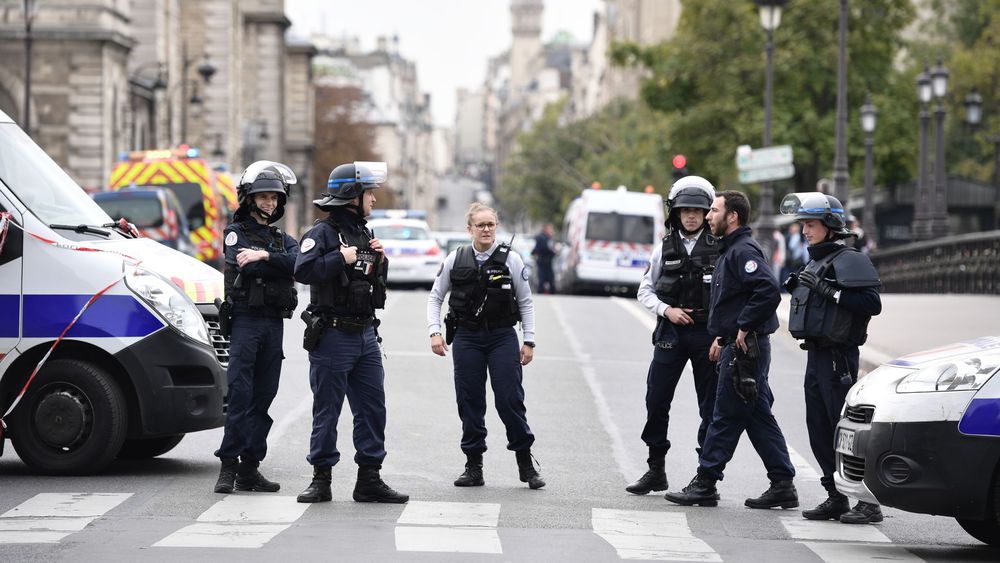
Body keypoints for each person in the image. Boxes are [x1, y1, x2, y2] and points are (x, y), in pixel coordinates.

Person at [664, 190, 798, 509]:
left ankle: (706, 482)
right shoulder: (730, 249)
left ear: (732, 216)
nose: (708, 216)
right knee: (757, 415)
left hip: (746, 349)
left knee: (724, 413)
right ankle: (782, 482)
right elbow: (736, 300)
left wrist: (742, 326)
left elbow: (767, 291)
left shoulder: (743, 250)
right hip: (737, 345)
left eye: (714, 210)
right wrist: (723, 337)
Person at [293, 161, 408, 504]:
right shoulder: (322, 234)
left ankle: (369, 478)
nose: (373, 199)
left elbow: (371, 283)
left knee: (373, 408)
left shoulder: (364, 233)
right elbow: (303, 270)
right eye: (369, 193)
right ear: (351, 195)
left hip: (366, 336)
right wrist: (338, 260)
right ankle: (321, 478)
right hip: (333, 335)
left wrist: (380, 261)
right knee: (327, 410)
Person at [780, 192, 884, 524]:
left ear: (830, 225)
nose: (805, 231)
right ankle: (835, 495)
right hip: (816, 355)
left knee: (845, 432)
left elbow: (871, 304)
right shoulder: (816, 259)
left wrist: (828, 291)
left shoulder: (849, 258)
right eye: (803, 225)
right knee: (818, 427)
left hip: (838, 357)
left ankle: (868, 502)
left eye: (810, 225)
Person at [427, 202, 543, 489]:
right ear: (470, 229)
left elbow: (526, 302)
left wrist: (529, 340)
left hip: (502, 336)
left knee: (509, 399)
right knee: (469, 401)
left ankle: (525, 463)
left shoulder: (511, 260)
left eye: (491, 224)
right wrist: (434, 332)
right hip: (467, 337)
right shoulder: (457, 258)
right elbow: (435, 297)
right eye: (481, 225)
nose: (487, 229)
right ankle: (473, 465)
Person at [626, 176, 720, 496]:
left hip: (708, 333)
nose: (691, 216)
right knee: (656, 399)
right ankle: (656, 469)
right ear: (675, 213)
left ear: (707, 212)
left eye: (697, 210)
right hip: (671, 331)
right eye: (685, 210)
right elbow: (645, 291)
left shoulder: (721, 248)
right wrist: (667, 310)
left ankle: (704, 476)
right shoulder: (663, 248)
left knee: (709, 405)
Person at [214, 160, 300, 494]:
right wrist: (274, 263)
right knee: (240, 395)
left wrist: (264, 258)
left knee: (263, 398)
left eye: (274, 197)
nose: (269, 202)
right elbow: (241, 265)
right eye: (263, 196)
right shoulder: (236, 233)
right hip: (247, 322)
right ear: (249, 198)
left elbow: (299, 264)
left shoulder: (282, 238)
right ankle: (228, 467)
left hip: (272, 325)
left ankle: (250, 469)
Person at [531, 223, 556, 294]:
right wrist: (553, 251)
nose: (552, 231)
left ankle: (546, 292)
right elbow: (546, 248)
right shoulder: (543, 238)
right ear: (546, 230)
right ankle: (542, 293)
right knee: (542, 279)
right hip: (543, 262)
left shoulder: (548, 238)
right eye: (550, 229)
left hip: (547, 262)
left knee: (549, 279)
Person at [781, 222, 808, 287]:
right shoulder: (788, 236)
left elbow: (804, 249)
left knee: (796, 274)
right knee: (788, 275)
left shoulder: (800, 237)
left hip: (798, 260)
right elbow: (790, 247)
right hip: (789, 259)